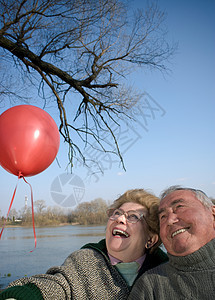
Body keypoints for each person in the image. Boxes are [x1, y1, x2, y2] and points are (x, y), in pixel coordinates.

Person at [0, 189, 168, 300]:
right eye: (117, 213)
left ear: (151, 239)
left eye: (133, 217)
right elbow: (57, 285)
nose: (120, 218)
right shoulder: (85, 261)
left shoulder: (168, 272)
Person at [129, 185, 215, 300]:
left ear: (213, 214)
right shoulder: (151, 286)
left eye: (179, 207)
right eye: (163, 217)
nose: (169, 220)